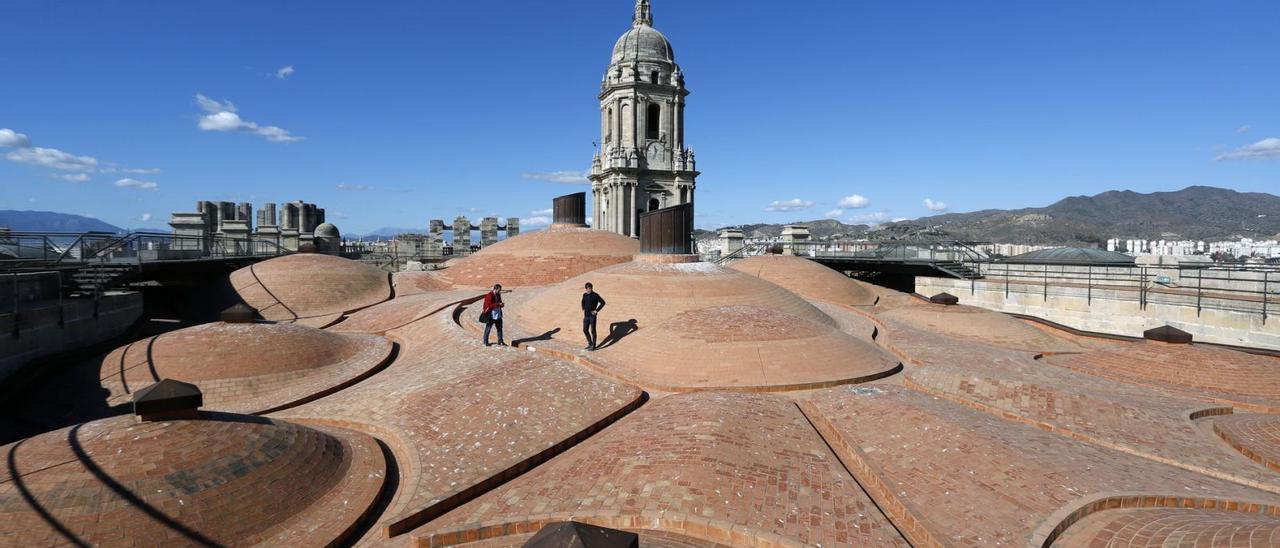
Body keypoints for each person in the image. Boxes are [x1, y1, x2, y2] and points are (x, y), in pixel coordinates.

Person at [581, 282, 606, 351]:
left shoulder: (595, 295)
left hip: (592, 316)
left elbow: (603, 302)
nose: (589, 290)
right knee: (585, 330)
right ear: (586, 289)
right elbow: (582, 301)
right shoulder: (584, 295)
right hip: (586, 316)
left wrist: (596, 310)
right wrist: (583, 307)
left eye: (590, 288)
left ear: (592, 288)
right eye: (587, 288)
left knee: (593, 330)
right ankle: (590, 343)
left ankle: (594, 345)